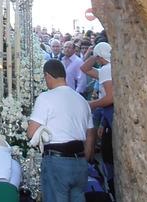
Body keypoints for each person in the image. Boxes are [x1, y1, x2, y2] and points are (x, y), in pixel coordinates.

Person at [27, 59, 95, 202]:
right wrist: (85, 157)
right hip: (80, 161)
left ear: (47, 75)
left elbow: (31, 132)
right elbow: (90, 133)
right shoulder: (81, 100)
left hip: (57, 161)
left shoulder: (46, 97)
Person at [80, 42, 114, 195]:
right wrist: (96, 55)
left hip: (109, 112)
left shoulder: (107, 69)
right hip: (107, 117)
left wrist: (91, 104)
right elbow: (84, 68)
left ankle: (112, 186)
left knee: (108, 154)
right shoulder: (109, 68)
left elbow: (110, 98)